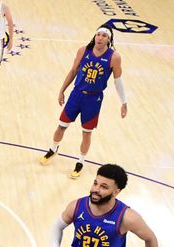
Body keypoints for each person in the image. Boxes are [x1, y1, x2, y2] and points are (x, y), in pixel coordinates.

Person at [38, 25, 127, 178]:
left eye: (104, 36)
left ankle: (80, 162)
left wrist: (123, 102)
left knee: (86, 133)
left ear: (109, 39)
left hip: (93, 99)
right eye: (98, 34)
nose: (100, 37)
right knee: (61, 126)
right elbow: (73, 71)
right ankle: (53, 149)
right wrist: (62, 90)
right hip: (76, 94)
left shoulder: (114, 57)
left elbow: (118, 81)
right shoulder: (83, 51)